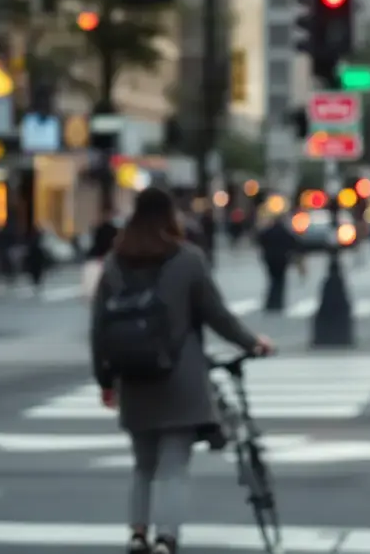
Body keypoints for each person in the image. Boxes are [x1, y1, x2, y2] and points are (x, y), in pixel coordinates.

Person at [92, 187, 274, 554]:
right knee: (173, 467)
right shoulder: (187, 259)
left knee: (143, 465)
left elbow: (99, 329)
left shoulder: (114, 263)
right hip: (180, 378)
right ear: (170, 217)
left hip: (133, 377)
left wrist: (106, 380)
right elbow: (217, 316)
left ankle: (137, 535)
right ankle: (166, 539)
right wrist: (252, 343)